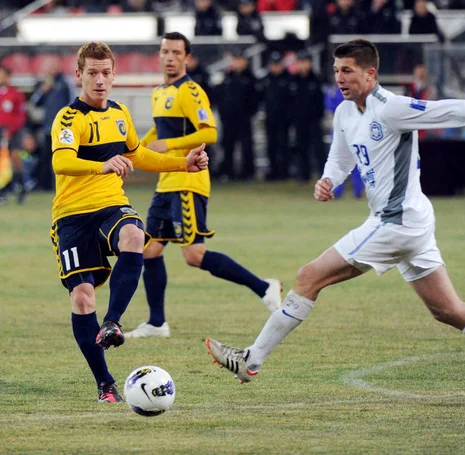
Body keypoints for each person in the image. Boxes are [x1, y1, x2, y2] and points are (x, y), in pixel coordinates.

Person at [206, 39, 465, 410]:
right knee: (448, 310)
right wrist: (329, 180)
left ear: (370, 74)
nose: (339, 78)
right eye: (336, 70)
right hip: (406, 222)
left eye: (347, 71)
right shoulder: (344, 112)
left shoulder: (392, 108)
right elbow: (341, 158)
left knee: (309, 277)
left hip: (397, 222)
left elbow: (450, 110)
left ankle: (251, 361)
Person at [50, 41, 208, 403]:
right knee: (83, 298)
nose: (100, 80)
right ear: (79, 75)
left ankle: (113, 322)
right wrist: (103, 165)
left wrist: (184, 163)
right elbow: (62, 162)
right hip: (71, 216)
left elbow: (138, 154)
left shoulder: (119, 114)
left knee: (135, 234)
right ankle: (105, 382)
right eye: (92, 73)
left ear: (114, 75)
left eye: (106, 73)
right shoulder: (69, 118)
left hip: (110, 205)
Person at [124, 33, 281, 340]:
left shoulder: (192, 91)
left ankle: (264, 287)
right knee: (150, 250)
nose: (169, 57)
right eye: (165, 51)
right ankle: (157, 323)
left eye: (176, 52)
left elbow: (209, 133)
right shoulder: (160, 92)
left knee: (194, 255)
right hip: (166, 181)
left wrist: (167, 145)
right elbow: (160, 128)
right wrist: (134, 154)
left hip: (189, 182)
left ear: (187, 58)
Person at [30, 54, 75, 191]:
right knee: (46, 157)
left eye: (52, 65)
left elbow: (72, 102)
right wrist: (43, 90)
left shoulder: (65, 82)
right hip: (48, 128)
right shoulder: (44, 84)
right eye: (48, 66)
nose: (50, 69)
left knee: (64, 156)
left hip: (63, 127)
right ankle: (45, 185)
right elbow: (36, 102)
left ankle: (68, 185)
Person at [216, 47, 259, 181]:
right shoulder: (226, 77)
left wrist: (250, 113)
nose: (237, 63)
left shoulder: (251, 78)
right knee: (228, 145)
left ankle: (248, 173)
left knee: (246, 146)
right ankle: (228, 172)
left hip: (244, 118)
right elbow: (220, 97)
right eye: (235, 59)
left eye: (239, 60)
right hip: (228, 119)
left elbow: (255, 99)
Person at [290, 49, 325, 182]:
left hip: (314, 119)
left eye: (305, 62)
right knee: (301, 147)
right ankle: (304, 174)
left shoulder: (316, 79)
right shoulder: (293, 80)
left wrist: (319, 116)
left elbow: (320, 101)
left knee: (318, 148)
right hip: (299, 120)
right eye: (300, 62)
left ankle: (323, 173)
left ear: (310, 63)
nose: (302, 65)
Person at [260, 50, 293, 181]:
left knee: (284, 145)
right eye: (273, 64)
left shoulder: (289, 79)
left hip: (285, 119)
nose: (275, 67)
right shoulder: (266, 80)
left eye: (277, 64)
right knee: (271, 145)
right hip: (270, 118)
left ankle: (284, 171)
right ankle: (273, 171)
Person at [0, 65, 27, 204]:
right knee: (2, 162)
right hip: (1, 131)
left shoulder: (16, 94)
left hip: (14, 131)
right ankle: (2, 193)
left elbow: (20, 116)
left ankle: (22, 189)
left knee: (16, 159)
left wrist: (10, 131)